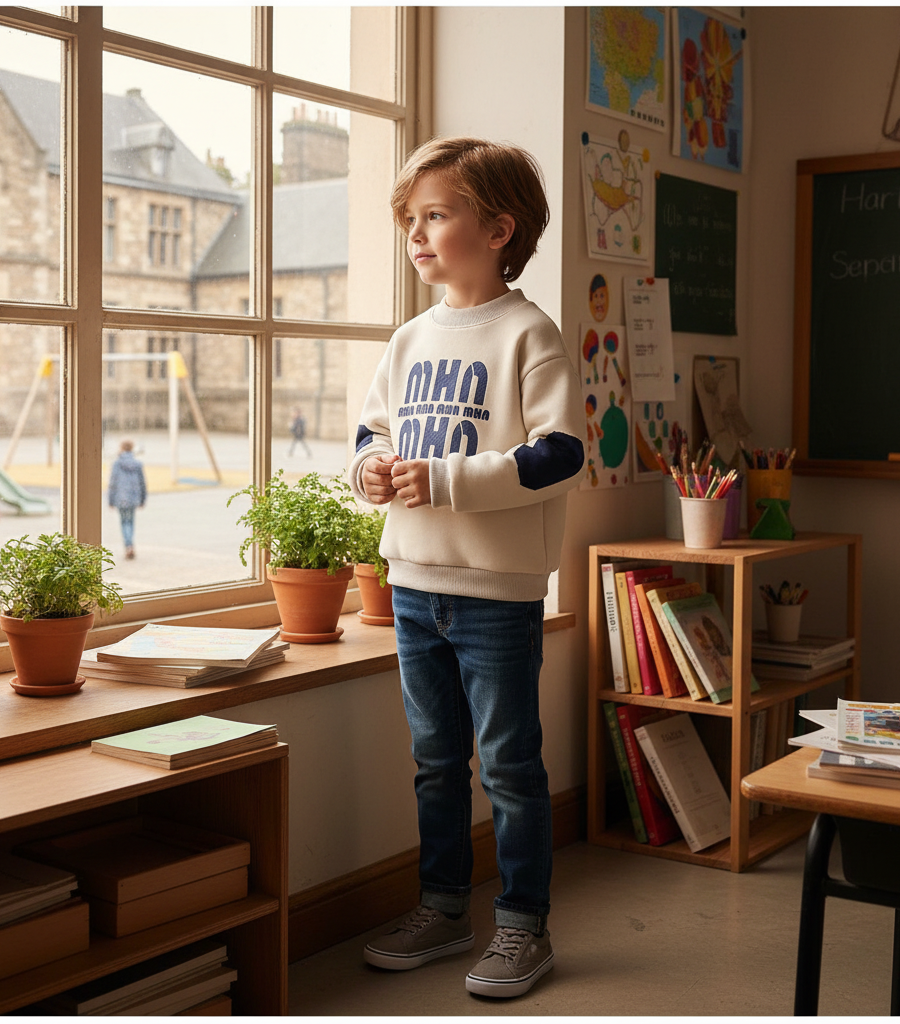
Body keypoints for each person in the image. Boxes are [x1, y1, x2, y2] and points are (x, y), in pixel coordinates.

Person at [347, 137, 587, 998]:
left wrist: (445, 478)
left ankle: (524, 928)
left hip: (494, 595)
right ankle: (444, 909)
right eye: (410, 219)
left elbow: (559, 454)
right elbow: (374, 432)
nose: (416, 234)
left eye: (435, 215)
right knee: (436, 762)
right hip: (412, 584)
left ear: (498, 228)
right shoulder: (410, 338)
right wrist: (369, 469)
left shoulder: (529, 332)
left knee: (511, 768)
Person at [108, 440, 146, 559]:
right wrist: (142, 499)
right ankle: (130, 545)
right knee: (130, 522)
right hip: (133, 498)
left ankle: (128, 545)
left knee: (124, 522)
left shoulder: (117, 464)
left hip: (121, 498)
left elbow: (113, 483)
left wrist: (111, 500)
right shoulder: (137, 464)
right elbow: (142, 483)